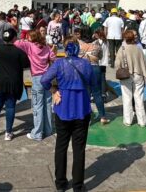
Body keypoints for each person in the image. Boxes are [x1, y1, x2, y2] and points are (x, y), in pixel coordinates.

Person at [41, 39, 94, 192]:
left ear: (65, 50)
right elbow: (93, 83)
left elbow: (44, 80)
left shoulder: (59, 63)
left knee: (61, 146)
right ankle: (78, 185)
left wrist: (53, 90)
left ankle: (60, 183)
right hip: (82, 108)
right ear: (78, 49)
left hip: (63, 108)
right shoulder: (86, 64)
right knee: (79, 149)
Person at [0, 27, 30, 140]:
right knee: (10, 107)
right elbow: (26, 64)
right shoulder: (19, 52)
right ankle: (8, 133)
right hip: (13, 82)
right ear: (14, 38)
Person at [15, 30, 57, 141]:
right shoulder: (46, 47)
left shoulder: (29, 46)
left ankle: (37, 133)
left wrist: (24, 39)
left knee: (38, 106)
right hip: (47, 77)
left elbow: (17, 43)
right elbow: (53, 58)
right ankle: (48, 129)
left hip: (37, 78)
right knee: (47, 104)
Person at [115, 30, 146, 127]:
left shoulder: (122, 49)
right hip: (138, 74)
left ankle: (128, 120)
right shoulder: (138, 48)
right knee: (139, 98)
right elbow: (144, 63)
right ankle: (142, 121)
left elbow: (117, 64)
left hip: (126, 75)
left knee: (127, 98)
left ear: (125, 38)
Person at [78, 30, 108, 124]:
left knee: (85, 94)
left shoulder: (79, 47)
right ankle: (102, 116)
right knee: (97, 93)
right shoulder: (97, 46)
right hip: (95, 68)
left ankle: (88, 118)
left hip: (83, 69)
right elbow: (100, 57)